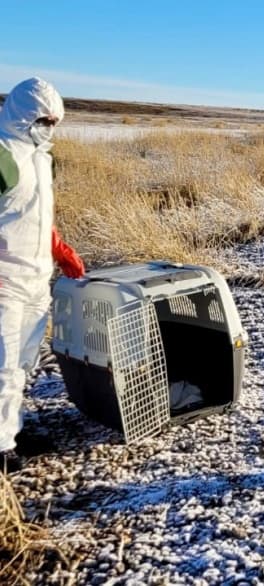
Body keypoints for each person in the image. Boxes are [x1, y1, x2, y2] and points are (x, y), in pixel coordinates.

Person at [0, 77, 85, 473]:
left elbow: (34, 215)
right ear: (22, 114)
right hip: (4, 279)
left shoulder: (39, 156)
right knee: (2, 363)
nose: (49, 126)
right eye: (42, 118)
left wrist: (59, 250)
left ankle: (9, 432)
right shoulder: (4, 155)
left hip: (35, 278)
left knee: (22, 362)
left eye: (54, 120)